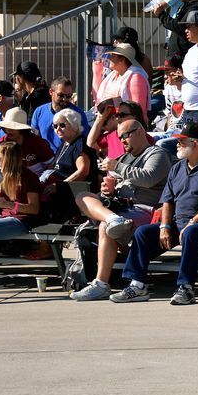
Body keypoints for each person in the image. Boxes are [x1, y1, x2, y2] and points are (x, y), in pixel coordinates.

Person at [111, 123, 198, 305]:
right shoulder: (177, 167)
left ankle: (186, 288)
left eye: (181, 142)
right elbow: (167, 200)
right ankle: (137, 285)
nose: (177, 145)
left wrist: (193, 222)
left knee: (191, 233)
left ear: (195, 143)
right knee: (143, 233)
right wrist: (165, 226)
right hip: (178, 223)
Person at [68, 115, 172, 301]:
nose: (122, 140)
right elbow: (121, 184)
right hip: (121, 209)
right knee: (82, 196)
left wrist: (117, 166)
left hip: (146, 210)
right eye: (120, 137)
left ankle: (101, 284)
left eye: (126, 135)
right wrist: (110, 189)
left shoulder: (157, 154)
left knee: (104, 227)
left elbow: (147, 178)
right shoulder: (125, 157)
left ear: (139, 132)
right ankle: (112, 218)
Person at [30, 77, 89, 152]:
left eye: (68, 96)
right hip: (45, 158)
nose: (65, 99)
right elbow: (34, 138)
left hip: (67, 158)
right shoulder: (39, 112)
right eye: (61, 95)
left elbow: (83, 141)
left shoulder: (78, 114)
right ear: (51, 92)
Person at [95, 44, 150, 117]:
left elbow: (137, 109)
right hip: (107, 121)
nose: (110, 58)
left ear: (122, 59)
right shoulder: (112, 76)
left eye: (113, 56)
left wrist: (111, 103)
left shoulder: (136, 78)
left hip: (126, 123)